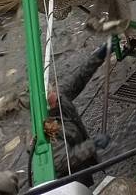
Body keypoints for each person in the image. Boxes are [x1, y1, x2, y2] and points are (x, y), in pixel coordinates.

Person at [43, 44, 112, 186]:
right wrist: (93, 144)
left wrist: (99, 56)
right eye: (52, 94)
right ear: (47, 103)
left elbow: (79, 78)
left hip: (80, 161)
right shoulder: (48, 127)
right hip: (68, 177)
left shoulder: (58, 97)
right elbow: (63, 161)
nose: (56, 93)